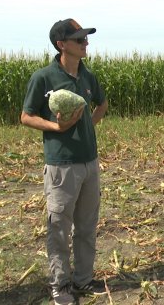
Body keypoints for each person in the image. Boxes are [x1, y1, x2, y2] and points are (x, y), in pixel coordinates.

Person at [20, 18, 108, 305]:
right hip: (61, 165)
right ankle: (60, 284)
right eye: (80, 39)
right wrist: (56, 128)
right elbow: (26, 116)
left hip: (89, 162)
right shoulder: (43, 77)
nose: (86, 44)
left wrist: (88, 127)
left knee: (86, 226)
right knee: (59, 229)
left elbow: (102, 103)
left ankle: (83, 280)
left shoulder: (87, 76)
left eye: (85, 39)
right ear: (62, 44)